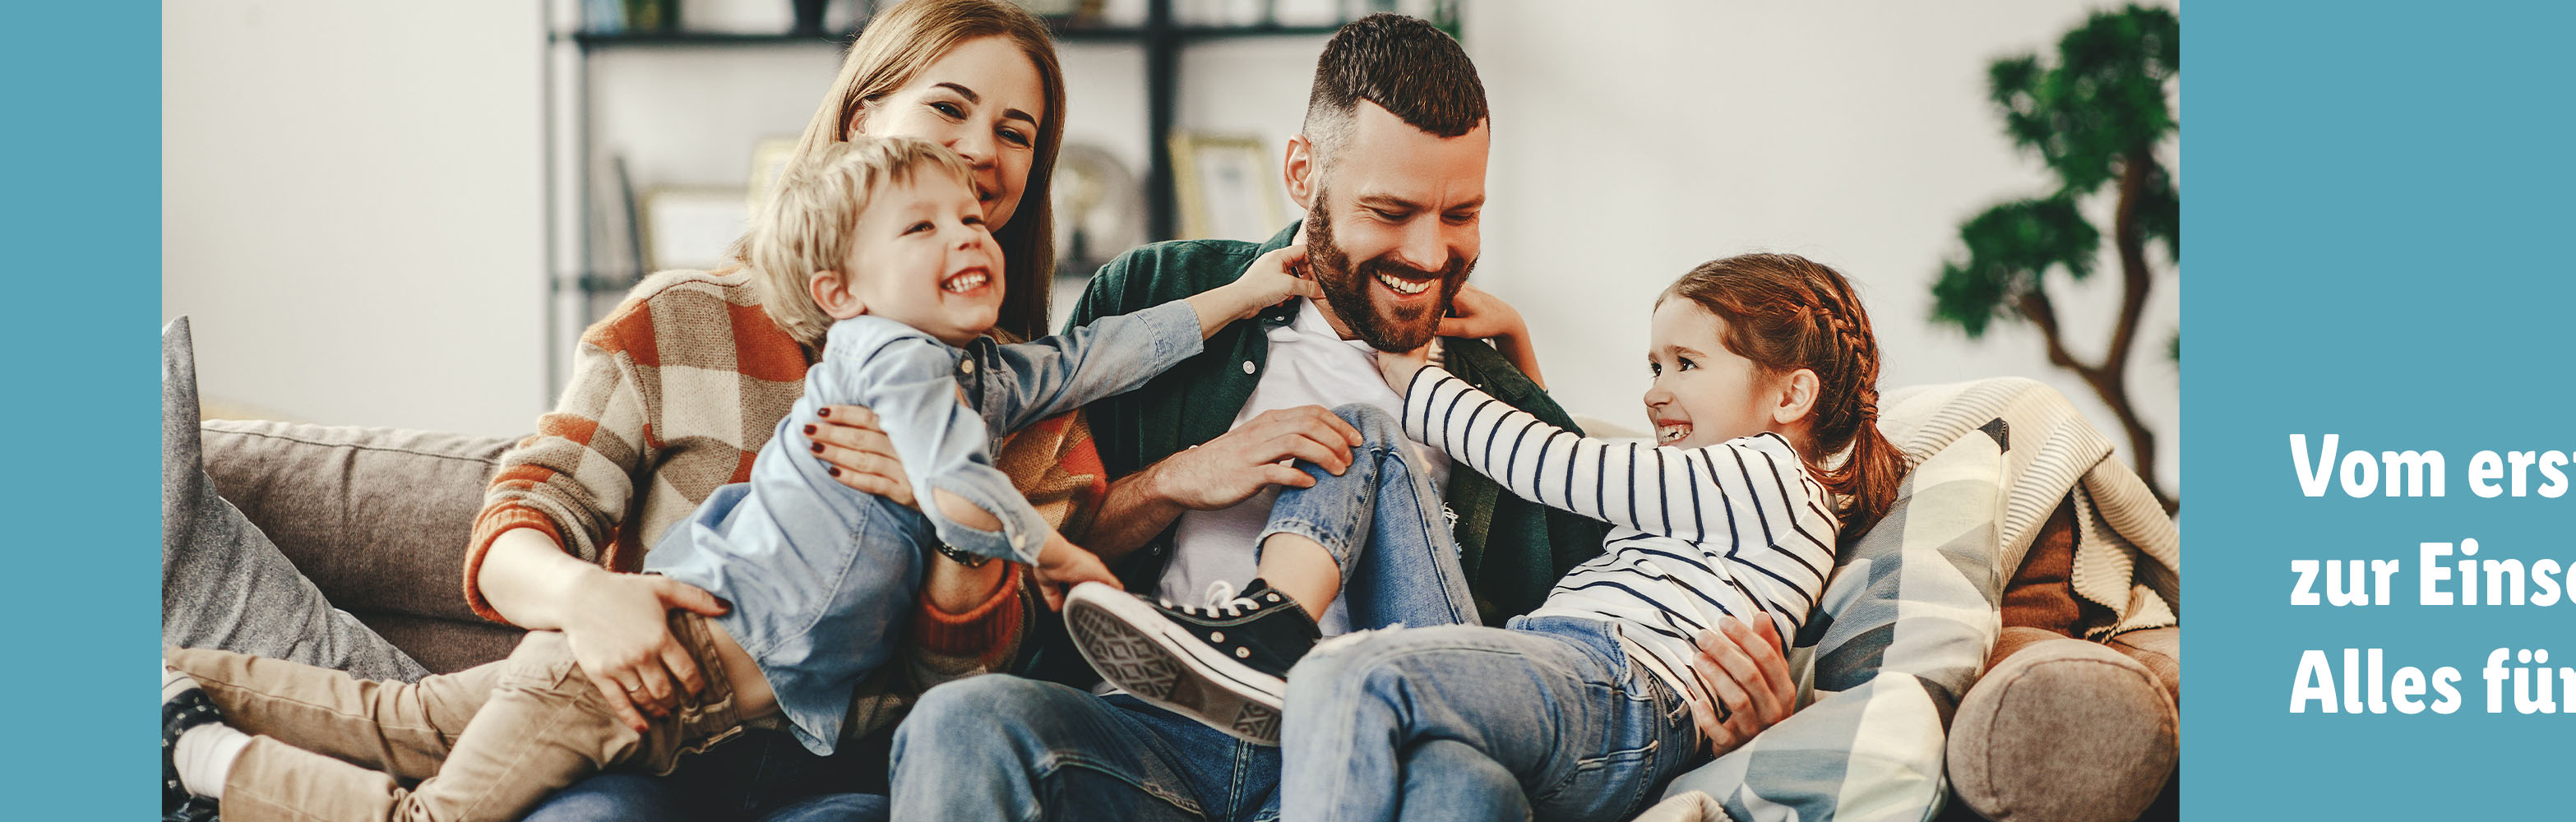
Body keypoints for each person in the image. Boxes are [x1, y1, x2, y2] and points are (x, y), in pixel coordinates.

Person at [159, 138, 1311, 822]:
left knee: (395, 718)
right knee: (431, 809)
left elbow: (1088, 358)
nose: (972, 231)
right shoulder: (888, 359)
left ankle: (163, 680)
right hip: (633, 669)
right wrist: (1058, 556)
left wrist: (1245, 296)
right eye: (925, 223)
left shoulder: (979, 373)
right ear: (843, 289)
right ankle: (207, 763)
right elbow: (958, 483)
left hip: (695, 719)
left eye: (977, 213)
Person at [159, 2, 1079, 820]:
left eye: (1017, 132)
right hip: (633, 739)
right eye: (949, 108)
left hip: (839, 776)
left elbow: (966, 704)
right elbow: (519, 521)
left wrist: (949, 511)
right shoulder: (682, 318)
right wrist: (587, 597)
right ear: (862, 117)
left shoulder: (1025, 403)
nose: (981, 150)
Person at [888, 14, 1804, 820]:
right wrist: (1178, 479)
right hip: (1150, 737)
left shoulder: (1499, 408)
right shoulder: (1162, 294)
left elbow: (1580, 640)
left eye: (1461, 213)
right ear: (1302, 172)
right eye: (1390, 210)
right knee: (963, 723)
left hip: (1366, 757)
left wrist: (1734, 716)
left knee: (1472, 792)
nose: (1429, 252)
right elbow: (1046, 540)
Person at [1275, 253, 1904, 821]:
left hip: (1622, 689)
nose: (1654, 392)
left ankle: (1262, 649)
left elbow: (1558, 466)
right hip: (1574, 688)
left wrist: (1417, 379)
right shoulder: (1721, 498)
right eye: (1656, 366)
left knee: (1348, 675)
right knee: (1454, 786)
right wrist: (1517, 343)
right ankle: (1269, 613)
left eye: (1686, 364)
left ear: (1793, 394)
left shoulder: (1768, 473)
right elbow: (1580, 482)